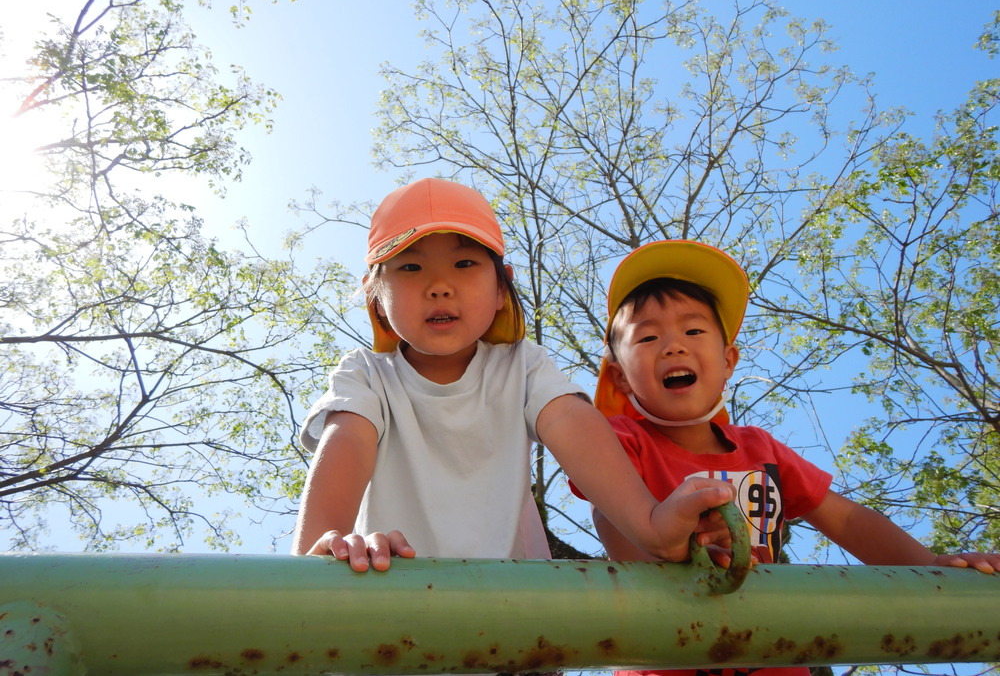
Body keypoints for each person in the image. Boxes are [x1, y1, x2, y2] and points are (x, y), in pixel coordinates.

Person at [576, 238, 1000, 676]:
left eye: (694, 330)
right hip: (665, 656)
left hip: (770, 652)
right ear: (621, 378)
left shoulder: (760, 449)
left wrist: (929, 566)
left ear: (728, 361)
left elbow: (847, 520)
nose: (673, 346)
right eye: (647, 336)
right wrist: (665, 575)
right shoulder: (620, 439)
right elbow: (607, 511)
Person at [291, 179, 735, 571]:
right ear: (375, 300)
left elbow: (571, 423)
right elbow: (347, 440)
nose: (439, 285)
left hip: (515, 624)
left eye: (465, 264)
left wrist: (650, 525)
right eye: (410, 267)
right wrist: (321, 549)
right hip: (390, 603)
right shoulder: (366, 375)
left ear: (502, 287)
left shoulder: (522, 365)